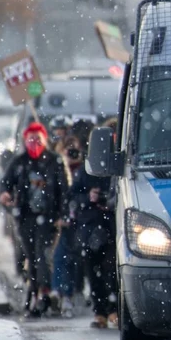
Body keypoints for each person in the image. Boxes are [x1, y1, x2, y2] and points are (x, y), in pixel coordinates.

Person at [0, 123, 69, 317]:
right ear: (25, 140)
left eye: (38, 139)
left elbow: (63, 190)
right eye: (31, 139)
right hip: (26, 217)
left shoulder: (55, 161)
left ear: (44, 140)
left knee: (42, 254)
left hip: (47, 218)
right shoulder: (20, 162)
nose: (34, 143)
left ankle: (43, 293)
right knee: (31, 256)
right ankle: (35, 291)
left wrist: (63, 214)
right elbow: (6, 181)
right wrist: (5, 193)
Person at [70, 130, 118, 329]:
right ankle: (100, 312)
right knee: (93, 271)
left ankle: (114, 309)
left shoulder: (116, 169)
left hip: (111, 226)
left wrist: (110, 201)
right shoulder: (85, 170)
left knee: (111, 271)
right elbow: (73, 196)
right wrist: (88, 198)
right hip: (89, 227)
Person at [50, 136, 82, 318]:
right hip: (61, 222)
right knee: (59, 256)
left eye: (73, 149)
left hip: (79, 221)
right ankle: (56, 291)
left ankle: (67, 293)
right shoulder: (57, 169)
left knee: (71, 259)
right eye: (66, 149)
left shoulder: (82, 170)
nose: (70, 153)